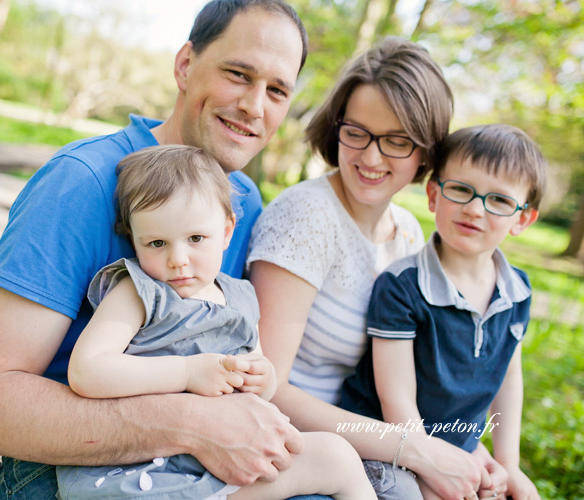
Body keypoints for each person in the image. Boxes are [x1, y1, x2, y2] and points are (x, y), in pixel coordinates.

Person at [0, 1, 316, 499]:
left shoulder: (244, 202)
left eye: (277, 90)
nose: (255, 106)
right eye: (239, 74)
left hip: (195, 468)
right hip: (70, 472)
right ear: (185, 65)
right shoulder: (82, 182)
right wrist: (191, 422)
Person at [247, 37, 504, 499]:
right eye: (357, 132)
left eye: (397, 142)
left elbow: (406, 378)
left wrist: (466, 451)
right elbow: (266, 386)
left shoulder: (406, 232)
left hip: (370, 445)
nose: (370, 157)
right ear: (336, 126)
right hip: (291, 453)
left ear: (426, 152)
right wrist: (414, 450)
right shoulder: (306, 217)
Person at [56, 145, 376, 500]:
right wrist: (188, 373)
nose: (178, 260)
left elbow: (258, 380)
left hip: (218, 466)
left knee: (338, 456)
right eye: (157, 243)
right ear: (134, 239)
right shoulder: (140, 292)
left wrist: (263, 379)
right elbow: (87, 371)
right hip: (143, 472)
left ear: (226, 232)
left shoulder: (240, 297)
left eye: (195, 239)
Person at [339, 124, 546, 500]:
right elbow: (396, 397)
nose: (474, 208)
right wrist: (431, 468)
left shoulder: (517, 291)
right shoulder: (403, 285)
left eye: (499, 200)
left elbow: (509, 375)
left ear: (523, 219)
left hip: (456, 446)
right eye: (461, 190)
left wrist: (509, 464)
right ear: (434, 194)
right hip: (389, 442)